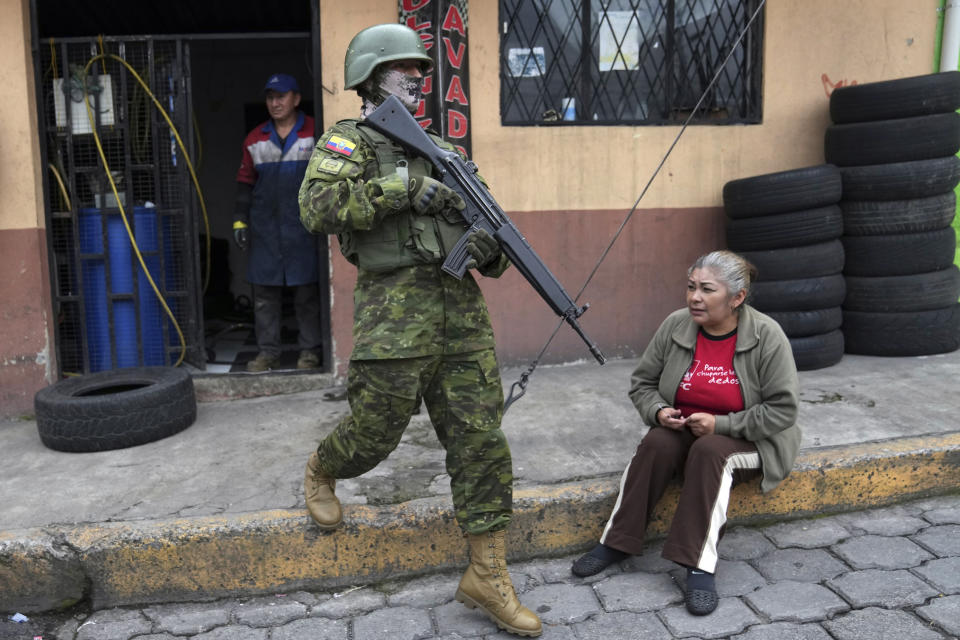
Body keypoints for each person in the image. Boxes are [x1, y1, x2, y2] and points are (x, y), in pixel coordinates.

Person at [297, 23, 542, 638]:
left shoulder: (447, 150)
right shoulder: (348, 141)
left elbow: (496, 254)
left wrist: (483, 238)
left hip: (461, 317)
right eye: (406, 66)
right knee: (375, 434)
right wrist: (403, 189)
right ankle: (323, 467)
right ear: (373, 76)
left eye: (424, 68)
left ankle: (487, 574)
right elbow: (315, 208)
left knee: (481, 443)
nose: (419, 76)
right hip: (393, 316)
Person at [571, 250, 800, 617]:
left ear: (737, 298)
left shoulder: (766, 336)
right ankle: (618, 541)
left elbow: (783, 411)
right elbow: (643, 384)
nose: (694, 297)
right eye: (691, 287)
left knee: (712, 451)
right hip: (687, 431)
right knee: (657, 442)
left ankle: (699, 565)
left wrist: (721, 425)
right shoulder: (676, 325)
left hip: (752, 440)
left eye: (707, 289)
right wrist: (659, 411)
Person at [233, 73, 322, 372]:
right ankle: (267, 354)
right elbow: (245, 183)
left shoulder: (315, 133)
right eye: (270, 97)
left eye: (281, 96)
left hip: (303, 229)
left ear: (296, 99)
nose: (275, 102)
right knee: (264, 297)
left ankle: (310, 352)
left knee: (307, 296)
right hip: (266, 230)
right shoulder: (255, 138)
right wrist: (239, 221)